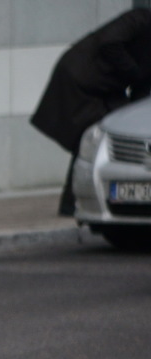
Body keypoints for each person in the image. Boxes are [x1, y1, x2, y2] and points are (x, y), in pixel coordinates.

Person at [30, 9, 151, 215]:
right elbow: (109, 42)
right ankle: (72, 201)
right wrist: (133, 72)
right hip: (81, 78)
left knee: (100, 133)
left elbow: (141, 91)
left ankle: (74, 201)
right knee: (92, 133)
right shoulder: (141, 18)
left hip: (103, 86)